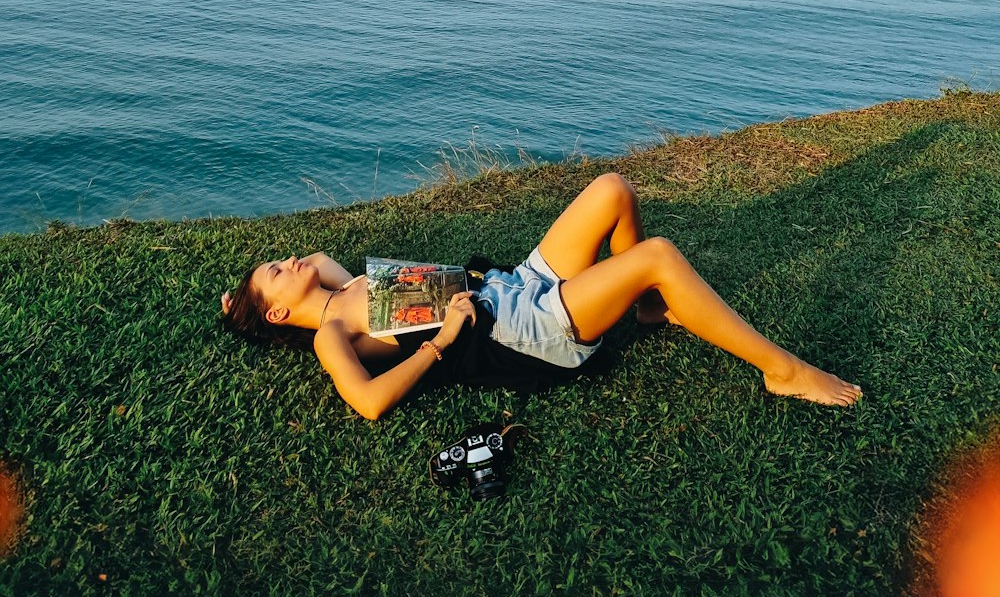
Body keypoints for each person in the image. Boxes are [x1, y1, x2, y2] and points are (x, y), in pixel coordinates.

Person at [220, 172, 862, 421]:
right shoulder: (333, 334)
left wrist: (238, 304)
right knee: (658, 254)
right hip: (525, 328)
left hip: (517, 282)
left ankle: (646, 307)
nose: (292, 258)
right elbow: (366, 402)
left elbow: (326, 265)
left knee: (612, 190)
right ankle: (783, 371)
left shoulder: (341, 286)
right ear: (281, 312)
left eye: (281, 258)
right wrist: (442, 342)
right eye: (277, 269)